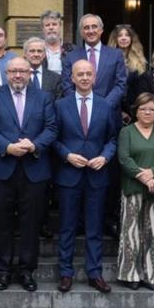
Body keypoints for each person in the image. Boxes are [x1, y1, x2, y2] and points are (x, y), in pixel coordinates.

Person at [0, 57, 57, 291]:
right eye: (13, 71)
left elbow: (51, 128)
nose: (17, 75)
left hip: (34, 169)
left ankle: (26, 271)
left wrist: (34, 145)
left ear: (29, 74)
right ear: (6, 73)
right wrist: (7, 147)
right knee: (1, 223)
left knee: (30, 224)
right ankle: (3, 270)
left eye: (22, 71)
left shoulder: (43, 97)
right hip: (2, 169)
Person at [54, 59, 118, 294]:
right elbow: (54, 138)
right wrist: (67, 155)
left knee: (94, 227)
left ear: (94, 77)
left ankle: (95, 273)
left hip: (96, 174)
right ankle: (65, 272)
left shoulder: (105, 106)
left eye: (88, 74)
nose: (83, 78)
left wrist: (105, 157)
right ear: (71, 78)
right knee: (68, 227)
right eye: (79, 74)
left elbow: (113, 138)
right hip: (68, 174)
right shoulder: (60, 105)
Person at [116, 93, 154, 290]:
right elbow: (124, 158)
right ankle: (130, 275)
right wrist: (143, 177)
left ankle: (153, 275)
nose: (147, 112)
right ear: (136, 111)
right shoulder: (127, 132)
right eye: (143, 109)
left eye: (152, 109)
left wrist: (153, 173)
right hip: (133, 188)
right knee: (131, 232)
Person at [61, 14, 127, 114]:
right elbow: (67, 85)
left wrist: (105, 104)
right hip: (80, 113)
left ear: (101, 30)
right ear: (81, 33)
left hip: (108, 112)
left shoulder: (116, 54)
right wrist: (79, 105)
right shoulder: (70, 56)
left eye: (94, 27)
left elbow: (120, 84)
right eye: (86, 28)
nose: (91, 31)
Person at [108, 24, 148, 120]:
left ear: (132, 39)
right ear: (115, 39)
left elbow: (141, 89)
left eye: (127, 35)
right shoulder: (108, 59)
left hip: (133, 110)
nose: (124, 38)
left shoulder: (140, 61)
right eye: (120, 35)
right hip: (113, 108)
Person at [40, 9, 72, 73]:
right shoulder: (37, 50)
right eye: (47, 25)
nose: (51, 28)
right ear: (43, 29)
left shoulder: (71, 50)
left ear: (60, 26)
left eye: (54, 24)